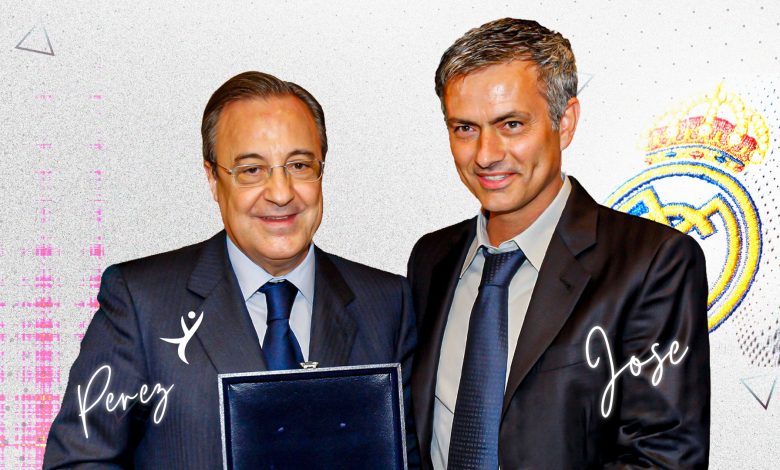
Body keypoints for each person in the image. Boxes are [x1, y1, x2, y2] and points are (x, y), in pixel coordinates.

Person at [44, 71, 418, 468]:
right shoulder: (140, 302)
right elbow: (79, 461)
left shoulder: (387, 304)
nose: (281, 193)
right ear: (212, 178)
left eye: (299, 165)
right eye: (251, 170)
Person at [408, 18, 710, 469]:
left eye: (511, 124)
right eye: (465, 128)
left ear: (564, 123)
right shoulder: (431, 259)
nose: (486, 154)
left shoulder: (652, 262)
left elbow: (663, 457)